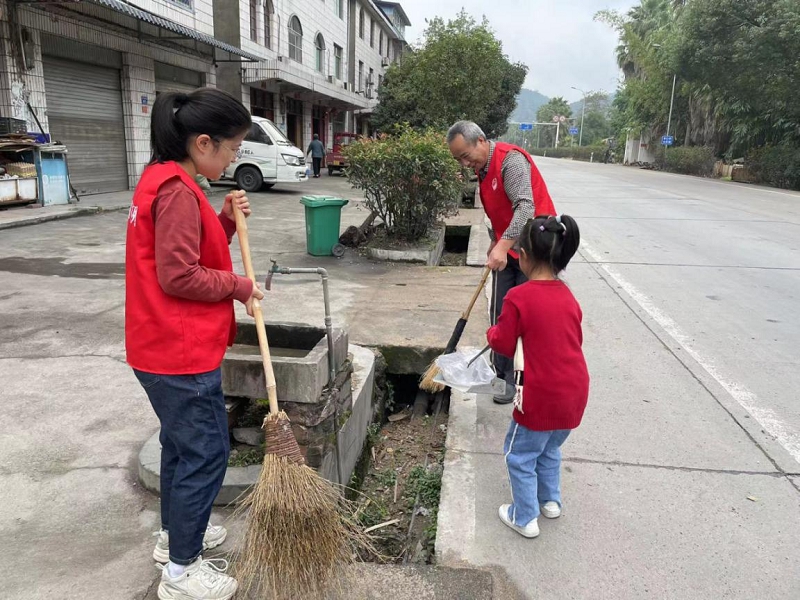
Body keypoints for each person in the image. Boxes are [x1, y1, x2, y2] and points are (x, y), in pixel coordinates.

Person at [125, 88, 264, 600]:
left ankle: (175, 535)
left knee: (180, 447)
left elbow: (190, 250)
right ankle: (182, 574)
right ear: (203, 142)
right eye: (232, 149)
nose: (232, 160)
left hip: (156, 343)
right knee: (206, 453)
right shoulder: (178, 192)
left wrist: (224, 220)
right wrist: (239, 286)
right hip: (178, 352)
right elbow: (180, 274)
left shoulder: (163, 178)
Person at [486, 215, 589, 539]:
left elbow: (503, 343)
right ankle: (550, 501)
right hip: (574, 393)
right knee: (549, 448)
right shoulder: (568, 295)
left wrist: (491, 333)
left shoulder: (518, 297)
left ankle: (524, 516)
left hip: (539, 395)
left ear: (524, 256)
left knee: (519, 454)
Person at [447, 120, 557, 404]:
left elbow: (525, 207)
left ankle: (524, 378)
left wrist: (503, 244)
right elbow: (500, 212)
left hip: (535, 249)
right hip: (509, 249)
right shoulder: (482, 169)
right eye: (459, 159)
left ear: (481, 141)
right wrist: (496, 243)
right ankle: (501, 374)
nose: (464, 163)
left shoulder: (511, 161)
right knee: (502, 311)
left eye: (465, 156)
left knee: (529, 315)